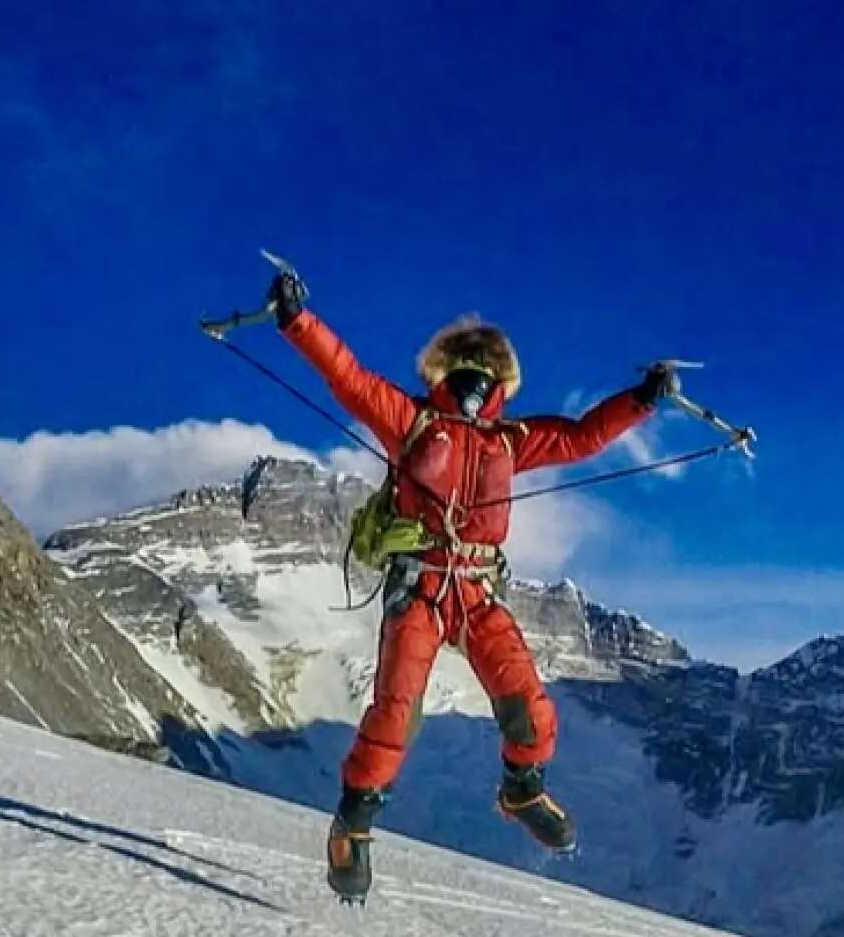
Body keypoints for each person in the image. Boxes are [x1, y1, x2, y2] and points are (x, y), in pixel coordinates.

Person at [267, 268, 675, 901]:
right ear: (444, 372)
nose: (476, 384)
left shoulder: (509, 442)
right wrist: (297, 320)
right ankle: (353, 823)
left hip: (477, 592)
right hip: (421, 588)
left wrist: (641, 400)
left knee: (530, 707)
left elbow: (582, 438)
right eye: (467, 369)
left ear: (501, 383)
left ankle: (521, 790)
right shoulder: (412, 421)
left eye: (486, 373)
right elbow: (346, 378)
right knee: (395, 714)